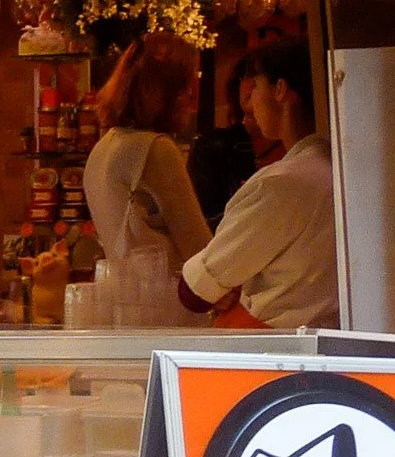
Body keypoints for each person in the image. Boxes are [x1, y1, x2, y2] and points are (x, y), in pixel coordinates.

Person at [178, 38, 338, 329]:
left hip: (273, 354)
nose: (250, 101)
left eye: (256, 87)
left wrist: (222, 284)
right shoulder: (339, 172)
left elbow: (194, 293)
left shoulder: (280, 185)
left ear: (280, 90)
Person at [85, 33, 211, 269]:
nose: (190, 95)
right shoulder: (155, 149)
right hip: (164, 299)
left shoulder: (102, 148)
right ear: (167, 91)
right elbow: (199, 250)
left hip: (123, 296)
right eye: (186, 84)